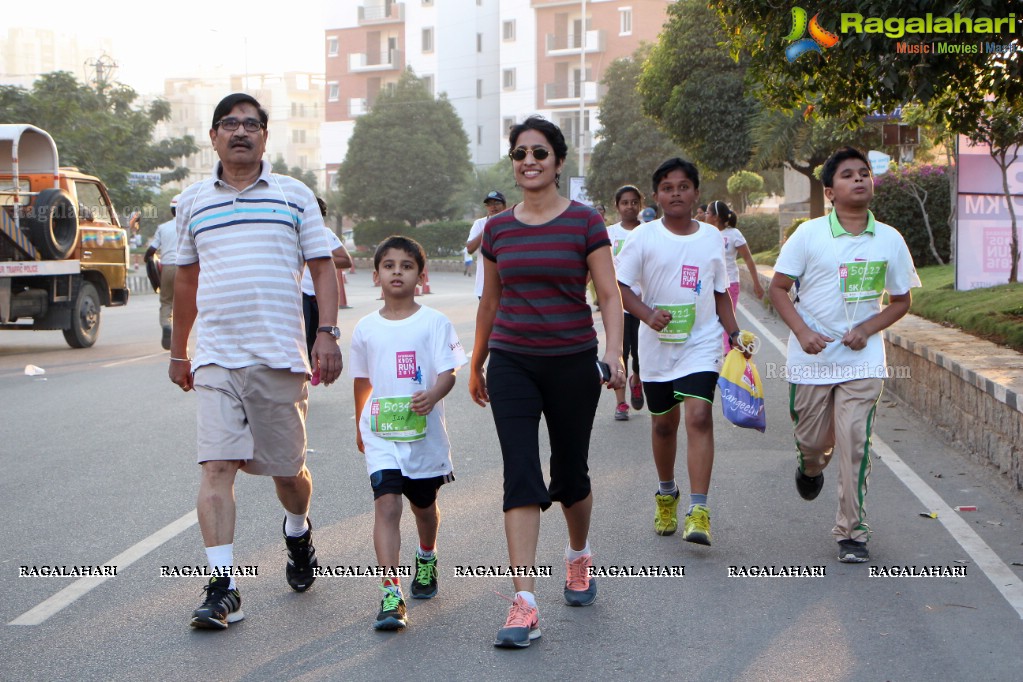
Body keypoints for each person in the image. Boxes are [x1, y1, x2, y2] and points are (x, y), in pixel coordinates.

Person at [169, 93, 343, 630]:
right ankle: (223, 587)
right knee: (217, 467)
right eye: (229, 124)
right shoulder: (193, 201)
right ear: (215, 138)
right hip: (217, 357)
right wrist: (180, 351)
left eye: (251, 124)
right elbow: (185, 281)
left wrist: (328, 333)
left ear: (265, 137)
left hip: (279, 356)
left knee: (288, 473)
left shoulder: (294, 195)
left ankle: (297, 530)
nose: (240, 132)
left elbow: (322, 267)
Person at [469, 116, 625, 649]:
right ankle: (525, 602)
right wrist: (476, 361)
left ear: (558, 162)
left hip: (571, 361)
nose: (529, 161)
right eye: (520, 154)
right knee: (520, 473)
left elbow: (608, 295)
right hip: (512, 360)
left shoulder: (586, 222)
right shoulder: (497, 229)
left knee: (570, 474)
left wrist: (613, 353)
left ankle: (578, 555)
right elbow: (490, 301)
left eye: (539, 153)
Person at [768, 146, 919, 564]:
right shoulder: (808, 235)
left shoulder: (890, 239)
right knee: (814, 441)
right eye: (848, 175)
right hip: (812, 359)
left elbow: (901, 300)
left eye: (864, 173)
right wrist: (802, 332)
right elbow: (777, 288)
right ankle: (810, 467)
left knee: (855, 441)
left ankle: (852, 531)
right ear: (830, 191)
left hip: (862, 360)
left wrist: (868, 329)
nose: (859, 180)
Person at [615, 158, 743, 545]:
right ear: (656, 196)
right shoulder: (643, 237)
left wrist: (734, 333)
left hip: (701, 344)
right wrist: (646, 314)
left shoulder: (711, 238)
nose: (676, 193)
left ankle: (699, 509)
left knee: (700, 417)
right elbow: (619, 286)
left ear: (696, 194)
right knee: (663, 425)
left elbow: (720, 291)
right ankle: (667, 492)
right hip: (656, 348)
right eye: (667, 188)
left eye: (683, 186)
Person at [351, 235, 466, 631]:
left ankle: (427, 556)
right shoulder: (365, 327)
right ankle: (391, 594)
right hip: (382, 432)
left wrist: (432, 395)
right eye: (389, 265)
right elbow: (362, 380)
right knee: (386, 506)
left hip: (424, 435)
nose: (397, 271)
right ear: (376, 274)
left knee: (423, 508)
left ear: (421, 274)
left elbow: (449, 371)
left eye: (406, 265)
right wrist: (359, 423)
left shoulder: (434, 322)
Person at [605, 184, 646, 421]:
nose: (629, 206)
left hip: (643, 306)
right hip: (617, 306)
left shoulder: (649, 231)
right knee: (619, 353)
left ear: (640, 205)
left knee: (641, 356)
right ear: (617, 206)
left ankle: (637, 379)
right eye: (624, 202)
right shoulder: (609, 233)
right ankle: (621, 404)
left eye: (634, 202)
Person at [706, 200, 765, 351]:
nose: (705, 215)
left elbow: (748, 259)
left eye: (707, 212)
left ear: (716, 217)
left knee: (727, 321)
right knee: (712, 322)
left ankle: (729, 356)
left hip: (730, 283)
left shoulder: (734, 234)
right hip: (710, 284)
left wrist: (756, 283)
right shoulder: (706, 233)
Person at [301, 197, 353, 361]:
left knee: (318, 335)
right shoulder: (292, 232)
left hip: (319, 294)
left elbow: (345, 260)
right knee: (302, 337)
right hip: (298, 293)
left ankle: (315, 366)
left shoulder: (324, 234)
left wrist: (318, 258)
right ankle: (305, 370)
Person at [144, 194, 181, 350]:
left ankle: (167, 325)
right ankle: (181, 337)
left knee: (166, 302)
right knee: (186, 303)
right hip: (186, 269)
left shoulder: (163, 228)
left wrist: (148, 262)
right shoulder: (192, 226)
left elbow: (151, 251)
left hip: (167, 268)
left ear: (172, 210)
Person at [465, 190, 507, 299]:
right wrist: (487, 227)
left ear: (504, 205)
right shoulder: (479, 224)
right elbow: (470, 249)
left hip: (507, 285)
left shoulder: (511, 223)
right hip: (484, 286)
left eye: (497, 203)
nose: (493, 207)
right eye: (489, 204)